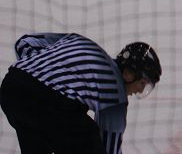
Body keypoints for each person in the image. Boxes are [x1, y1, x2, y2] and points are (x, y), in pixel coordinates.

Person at [0, 34, 161, 154]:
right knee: (89, 138)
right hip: (47, 106)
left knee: (38, 141)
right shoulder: (115, 93)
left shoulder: (78, 41)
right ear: (128, 74)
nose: (140, 90)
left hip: (11, 89)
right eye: (143, 83)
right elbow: (109, 146)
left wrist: (40, 68)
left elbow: (26, 41)